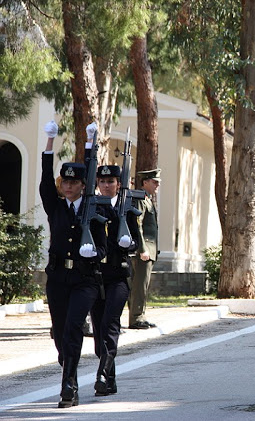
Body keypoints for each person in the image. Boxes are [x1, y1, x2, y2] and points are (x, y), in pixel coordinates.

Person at [40, 121, 107, 408]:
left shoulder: (93, 209)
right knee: (59, 332)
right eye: (64, 182)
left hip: (84, 279)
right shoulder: (55, 206)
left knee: (72, 329)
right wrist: (49, 141)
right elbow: (44, 180)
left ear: (82, 185)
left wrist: (94, 252)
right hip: (57, 278)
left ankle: (69, 386)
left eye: (74, 183)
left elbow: (104, 247)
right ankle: (67, 360)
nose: (68, 187)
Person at [91, 164, 141, 396]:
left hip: (118, 275)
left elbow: (136, 243)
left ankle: (102, 372)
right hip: (95, 276)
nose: (106, 185)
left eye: (111, 181)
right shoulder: (91, 208)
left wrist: (127, 244)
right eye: (102, 181)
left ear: (118, 184)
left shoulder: (127, 209)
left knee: (110, 323)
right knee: (99, 329)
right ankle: (109, 380)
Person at [128, 168, 160, 329]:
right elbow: (137, 224)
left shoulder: (147, 199)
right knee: (139, 285)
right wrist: (142, 249)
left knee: (143, 285)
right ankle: (136, 318)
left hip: (149, 249)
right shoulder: (140, 198)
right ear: (145, 182)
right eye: (154, 182)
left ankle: (140, 315)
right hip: (144, 250)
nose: (157, 185)